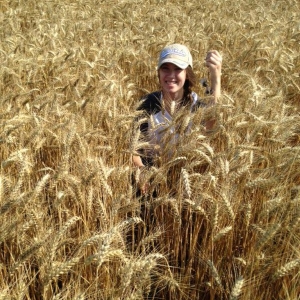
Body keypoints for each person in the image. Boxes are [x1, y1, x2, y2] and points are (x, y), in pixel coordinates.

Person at [132, 43, 222, 194]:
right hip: (150, 185)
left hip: (186, 184)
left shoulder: (197, 108)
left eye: (178, 69)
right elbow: (133, 150)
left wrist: (215, 77)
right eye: (165, 68)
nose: (171, 75)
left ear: (187, 73)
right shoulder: (147, 104)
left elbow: (212, 126)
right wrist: (141, 171)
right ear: (158, 72)